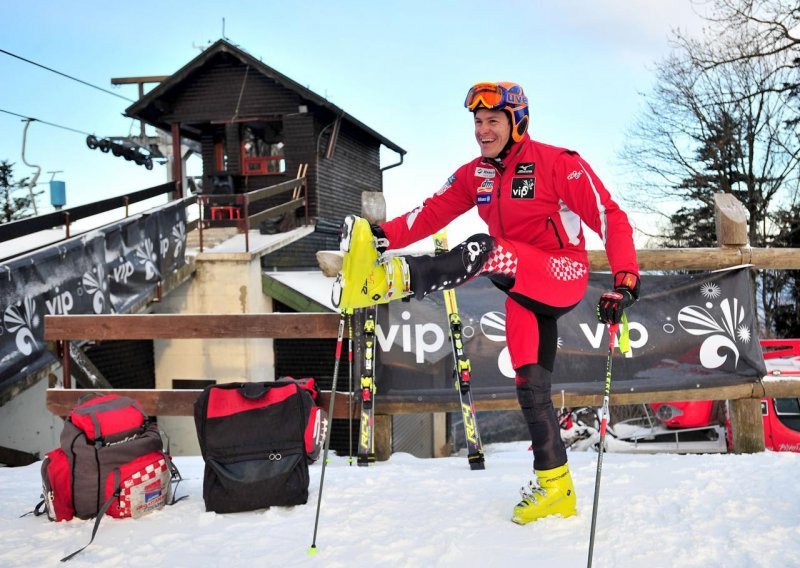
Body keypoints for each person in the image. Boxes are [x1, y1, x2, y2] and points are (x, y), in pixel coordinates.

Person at [332, 81, 640, 524]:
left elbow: (609, 215)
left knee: (487, 248)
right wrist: (382, 236)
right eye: (477, 121)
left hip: (561, 272)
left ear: (518, 123)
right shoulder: (476, 174)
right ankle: (555, 486)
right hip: (521, 287)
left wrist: (625, 279)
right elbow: (431, 211)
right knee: (530, 386)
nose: (483, 130)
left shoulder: (557, 163)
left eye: (493, 120)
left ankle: (395, 279)